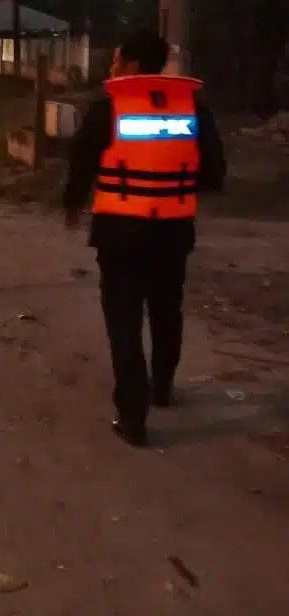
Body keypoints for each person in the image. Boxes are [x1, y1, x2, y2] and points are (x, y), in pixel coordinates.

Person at [63, 28, 225, 446]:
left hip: (119, 231)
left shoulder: (109, 108)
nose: (112, 67)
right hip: (172, 230)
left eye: (117, 60)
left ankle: (132, 416)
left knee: (124, 321)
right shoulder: (194, 109)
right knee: (167, 309)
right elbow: (214, 174)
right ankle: (163, 387)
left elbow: (80, 164)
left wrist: (71, 204)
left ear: (133, 64)